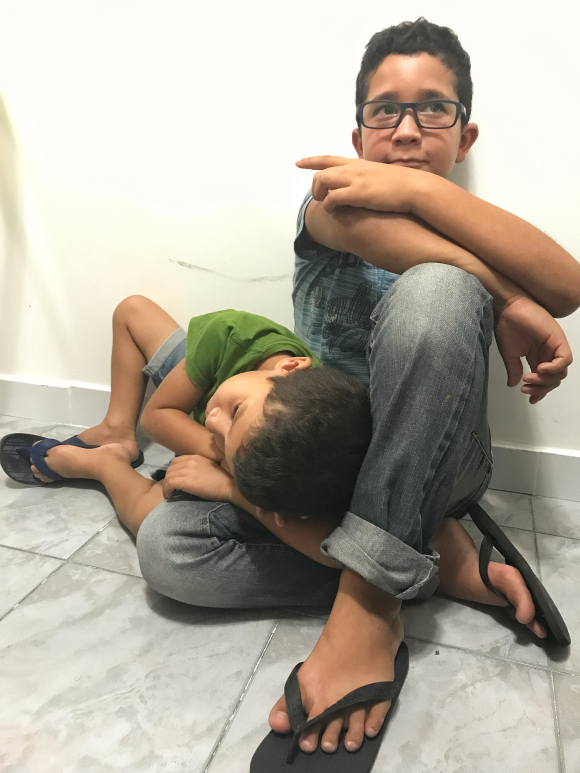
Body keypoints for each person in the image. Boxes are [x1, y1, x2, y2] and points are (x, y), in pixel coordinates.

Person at [264, 16, 580, 758]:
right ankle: (441, 562)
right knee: (171, 555)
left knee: (439, 288)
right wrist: (509, 300)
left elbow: (568, 286)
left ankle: (370, 599)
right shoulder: (327, 204)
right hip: (328, 465)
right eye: (386, 111)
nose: (406, 128)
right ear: (357, 136)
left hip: (442, 468)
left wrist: (430, 202)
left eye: (432, 108)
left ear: (464, 137)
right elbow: (370, 230)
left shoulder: (470, 227)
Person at [19, 298, 372, 575]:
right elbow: (157, 417)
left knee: (146, 517)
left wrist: (228, 484)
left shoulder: (300, 462)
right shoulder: (234, 335)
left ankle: (104, 465)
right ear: (291, 367)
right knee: (132, 311)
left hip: (229, 457)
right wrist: (222, 454)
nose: (214, 422)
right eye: (237, 410)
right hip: (199, 387)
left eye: (226, 438)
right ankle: (116, 428)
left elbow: (334, 554)